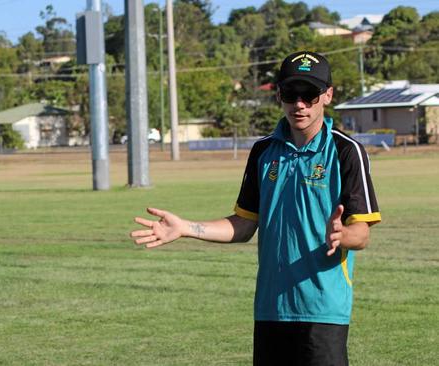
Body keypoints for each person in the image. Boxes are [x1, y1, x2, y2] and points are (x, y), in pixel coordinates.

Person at [131, 51, 381, 366]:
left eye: (309, 94)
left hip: (323, 310)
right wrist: (186, 228)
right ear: (279, 95)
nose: (299, 104)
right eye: (291, 94)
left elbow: (362, 234)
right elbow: (244, 225)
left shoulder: (346, 152)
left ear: (328, 95)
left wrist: (342, 236)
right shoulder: (263, 151)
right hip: (270, 310)